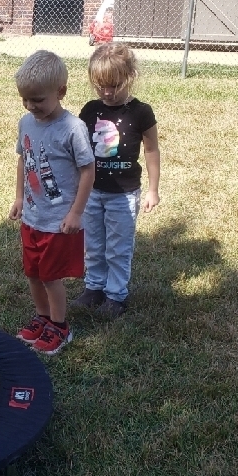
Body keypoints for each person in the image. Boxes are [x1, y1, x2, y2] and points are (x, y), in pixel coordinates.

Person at [8, 50, 95, 356]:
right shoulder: (26, 122)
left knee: (50, 275)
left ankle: (60, 325)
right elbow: (23, 160)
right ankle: (42, 317)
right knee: (32, 273)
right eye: (26, 100)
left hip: (59, 222)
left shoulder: (72, 128)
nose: (31, 106)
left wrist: (76, 213)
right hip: (32, 217)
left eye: (38, 100)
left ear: (61, 92)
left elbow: (88, 170)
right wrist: (19, 197)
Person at [74, 43, 160, 320]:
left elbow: (151, 149)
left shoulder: (141, 112)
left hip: (123, 195)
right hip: (91, 193)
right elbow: (77, 150)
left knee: (118, 247)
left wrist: (153, 189)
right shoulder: (89, 111)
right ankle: (94, 287)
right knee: (93, 243)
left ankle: (116, 295)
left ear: (130, 77)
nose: (107, 93)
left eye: (114, 85)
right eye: (100, 86)